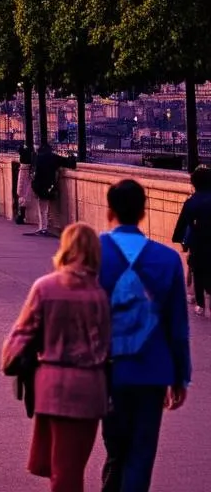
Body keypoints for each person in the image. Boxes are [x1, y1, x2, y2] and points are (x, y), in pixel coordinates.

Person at [1, 223, 111, 492]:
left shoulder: (45, 287)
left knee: (57, 465)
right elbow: (105, 346)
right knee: (72, 463)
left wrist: (11, 360)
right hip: (89, 387)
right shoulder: (98, 295)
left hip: (52, 385)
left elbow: (21, 334)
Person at [98, 179, 190, 492]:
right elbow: (177, 324)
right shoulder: (166, 259)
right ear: (143, 211)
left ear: (109, 210)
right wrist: (180, 376)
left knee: (115, 447)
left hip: (107, 369)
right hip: (152, 370)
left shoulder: (94, 253)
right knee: (141, 452)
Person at [171, 165, 211, 317]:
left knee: (198, 272)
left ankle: (200, 305)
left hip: (198, 242)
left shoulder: (191, 202)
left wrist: (181, 240)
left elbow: (184, 223)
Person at [31, 143, 68, 236]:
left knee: (42, 208)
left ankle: (43, 227)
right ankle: (44, 227)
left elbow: (35, 174)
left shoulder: (38, 158)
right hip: (49, 186)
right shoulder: (53, 157)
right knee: (46, 208)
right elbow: (67, 162)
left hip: (39, 186)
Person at [16, 146, 34, 225]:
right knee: (24, 196)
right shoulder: (27, 167)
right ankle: (21, 216)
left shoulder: (22, 168)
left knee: (22, 195)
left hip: (23, 173)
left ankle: (21, 216)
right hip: (26, 173)